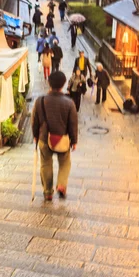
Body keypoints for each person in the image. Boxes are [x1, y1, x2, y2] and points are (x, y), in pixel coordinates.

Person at [32, 71, 78, 200]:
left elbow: (34, 120)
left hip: (44, 138)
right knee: (65, 163)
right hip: (62, 139)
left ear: (49, 83)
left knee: (46, 163)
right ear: (63, 84)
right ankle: (61, 184)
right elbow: (73, 123)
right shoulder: (69, 103)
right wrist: (74, 141)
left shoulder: (40, 101)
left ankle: (47, 192)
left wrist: (35, 135)